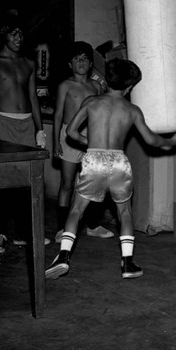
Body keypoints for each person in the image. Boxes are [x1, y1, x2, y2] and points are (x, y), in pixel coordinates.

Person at [45, 59, 176, 280]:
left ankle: (63, 257)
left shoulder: (91, 102)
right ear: (130, 87)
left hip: (94, 160)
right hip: (119, 162)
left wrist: (88, 141)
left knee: (77, 210)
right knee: (124, 212)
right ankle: (128, 264)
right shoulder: (132, 109)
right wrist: (171, 141)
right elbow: (152, 141)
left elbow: (70, 131)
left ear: (106, 80)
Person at [0, 11, 50, 254]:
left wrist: (40, 130)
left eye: (21, 34)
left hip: (27, 126)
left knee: (27, 182)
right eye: (14, 33)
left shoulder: (28, 63)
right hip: (3, 123)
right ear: (5, 36)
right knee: (3, 181)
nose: (19, 38)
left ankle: (24, 233)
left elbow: (33, 98)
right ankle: (1, 234)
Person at [53, 41, 114, 243]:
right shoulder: (65, 85)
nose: (81, 62)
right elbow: (58, 114)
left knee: (94, 183)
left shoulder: (96, 86)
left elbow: (102, 113)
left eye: (85, 58)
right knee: (67, 183)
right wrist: (55, 142)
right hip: (69, 136)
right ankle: (62, 227)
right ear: (70, 63)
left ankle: (92, 224)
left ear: (90, 64)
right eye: (77, 58)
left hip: (92, 136)